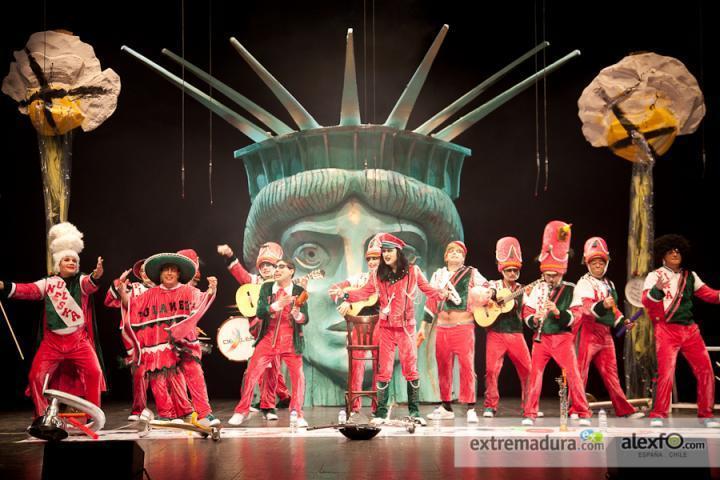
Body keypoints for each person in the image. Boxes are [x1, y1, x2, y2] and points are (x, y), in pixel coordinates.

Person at [0, 222, 106, 418]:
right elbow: (27, 290)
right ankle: (42, 417)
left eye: (74, 260)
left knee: (94, 373)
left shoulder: (81, 281)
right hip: (52, 343)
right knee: (36, 377)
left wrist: (96, 275)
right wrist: (3, 286)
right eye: (67, 260)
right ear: (59, 264)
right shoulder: (49, 283)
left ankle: (93, 415)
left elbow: (91, 284)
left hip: (78, 342)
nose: (72, 263)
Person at [341, 233, 448, 425]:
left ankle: (414, 413)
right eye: (383, 252)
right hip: (386, 328)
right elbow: (364, 292)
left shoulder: (413, 272)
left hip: (406, 328)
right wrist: (346, 296)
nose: (386, 255)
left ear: (398, 252)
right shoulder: (377, 275)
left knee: (411, 369)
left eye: (389, 251)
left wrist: (442, 293)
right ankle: (381, 413)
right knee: (384, 370)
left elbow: (427, 290)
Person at [118, 252, 219, 426]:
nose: (169, 273)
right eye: (166, 270)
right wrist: (122, 292)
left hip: (184, 343)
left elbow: (203, 300)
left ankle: (204, 414)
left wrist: (212, 289)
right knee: (158, 376)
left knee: (195, 374)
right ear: (160, 274)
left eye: (173, 270)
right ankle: (166, 414)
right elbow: (133, 305)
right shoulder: (150, 294)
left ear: (179, 273)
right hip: (159, 344)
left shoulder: (189, 291)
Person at [642, 234, 720, 428]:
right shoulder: (655, 275)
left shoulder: (690, 276)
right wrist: (657, 290)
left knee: (706, 371)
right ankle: (658, 414)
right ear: (663, 255)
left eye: (678, 251)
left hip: (690, 331)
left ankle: (705, 414)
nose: (675, 254)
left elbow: (710, 295)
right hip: (667, 330)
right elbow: (647, 302)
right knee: (666, 374)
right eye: (670, 251)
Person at [521, 221, 592, 426]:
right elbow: (527, 311)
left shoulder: (571, 288)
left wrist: (557, 312)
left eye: (554, 275)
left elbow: (577, 314)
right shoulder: (537, 288)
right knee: (535, 376)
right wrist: (535, 319)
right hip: (541, 339)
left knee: (574, 376)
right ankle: (530, 414)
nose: (550, 278)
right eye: (547, 274)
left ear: (562, 272)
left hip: (562, 338)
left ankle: (583, 412)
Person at [229, 258, 310, 427]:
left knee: (298, 377)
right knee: (252, 374)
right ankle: (241, 411)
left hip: (290, 341)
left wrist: (297, 315)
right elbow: (259, 311)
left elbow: (305, 318)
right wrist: (276, 305)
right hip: (268, 338)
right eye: (276, 267)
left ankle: (297, 413)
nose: (277, 270)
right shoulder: (267, 288)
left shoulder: (299, 290)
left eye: (281, 267)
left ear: (291, 271)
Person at [570, 237, 644, 419]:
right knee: (580, 373)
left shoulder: (609, 284)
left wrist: (623, 322)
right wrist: (603, 305)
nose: (597, 264)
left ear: (606, 263)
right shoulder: (584, 283)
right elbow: (586, 309)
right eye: (594, 261)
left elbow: (614, 310)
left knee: (612, 374)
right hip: (586, 331)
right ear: (587, 263)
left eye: (601, 261)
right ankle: (576, 410)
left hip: (605, 334)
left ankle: (624, 410)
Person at [218, 242, 291, 421]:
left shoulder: (282, 285)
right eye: (263, 265)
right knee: (257, 369)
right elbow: (239, 273)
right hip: (257, 333)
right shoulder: (254, 281)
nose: (266, 268)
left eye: (270, 265)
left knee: (271, 369)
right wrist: (229, 255)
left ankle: (268, 406)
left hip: (275, 332)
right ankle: (273, 400)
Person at [421, 241, 488, 424]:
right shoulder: (438, 275)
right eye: (451, 251)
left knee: (467, 367)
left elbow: (489, 288)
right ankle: (446, 406)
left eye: (459, 252)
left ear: (464, 257)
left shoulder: (471, 273)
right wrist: (423, 328)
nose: (455, 254)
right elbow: (430, 303)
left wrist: (487, 295)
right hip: (442, 327)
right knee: (443, 367)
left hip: (463, 326)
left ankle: (470, 407)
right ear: (445, 256)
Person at [482, 237, 537, 419]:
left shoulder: (524, 290)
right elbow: (481, 297)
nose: (512, 273)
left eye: (515, 270)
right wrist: (491, 297)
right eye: (509, 270)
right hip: (495, 333)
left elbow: (529, 310)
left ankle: (529, 406)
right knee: (491, 370)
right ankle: (490, 406)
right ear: (502, 270)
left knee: (528, 370)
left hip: (516, 334)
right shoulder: (493, 285)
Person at [329, 235, 382, 417]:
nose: (373, 262)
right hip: (359, 326)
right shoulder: (359, 278)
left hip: (380, 326)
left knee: (380, 366)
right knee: (356, 365)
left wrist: (349, 298)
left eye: (376, 258)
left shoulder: (387, 279)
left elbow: (376, 295)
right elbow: (334, 289)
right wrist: (345, 303)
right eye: (370, 259)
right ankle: (355, 407)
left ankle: (378, 407)